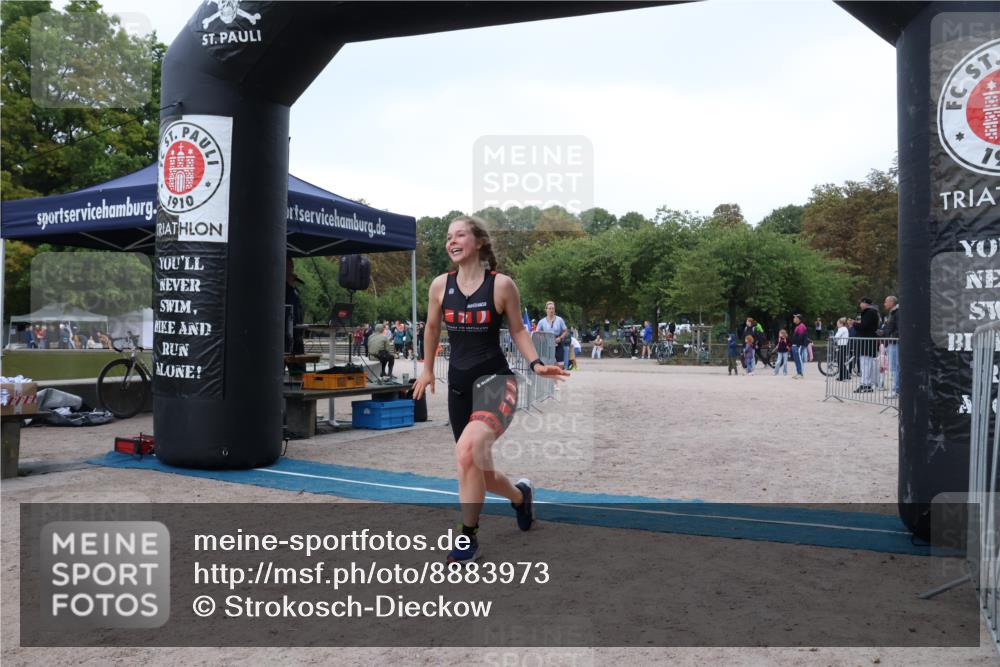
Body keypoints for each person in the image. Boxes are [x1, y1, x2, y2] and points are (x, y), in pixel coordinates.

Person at [412, 215, 569, 564]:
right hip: (459, 388)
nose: (452, 241)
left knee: (466, 453)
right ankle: (519, 497)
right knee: (478, 468)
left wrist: (536, 364)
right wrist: (426, 369)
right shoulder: (440, 285)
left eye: (460, 235)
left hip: (497, 383)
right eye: (448, 236)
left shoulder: (501, 285)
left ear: (479, 242)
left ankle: (468, 536)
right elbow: (432, 328)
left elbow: (518, 331)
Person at [285, 257, 305, 376]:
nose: (292, 268)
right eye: (289, 265)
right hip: (284, 336)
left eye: (292, 265)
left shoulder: (294, 290)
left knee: (300, 372)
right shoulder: (281, 288)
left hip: (296, 335)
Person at [855, 298, 881, 393]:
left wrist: (854, 324)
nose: (860, 305)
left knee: (865, 363)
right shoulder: (872, 312)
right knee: (866, 363)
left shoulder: (869, 312)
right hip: (868, 341)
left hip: (867, 341)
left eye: (861, 303)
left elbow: (863, 326)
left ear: (865, 303)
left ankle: (865, 384)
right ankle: (867, 384)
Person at [535, 301, 570, 369]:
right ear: (546, 310)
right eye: (549, 308)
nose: (551, 310)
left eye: (553, 308)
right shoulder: (542, 321)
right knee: (547, 364)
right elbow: (537, 333)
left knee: (560, 365)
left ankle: (558, 377)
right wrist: (542, 339)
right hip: (546, 344)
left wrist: (560, 338)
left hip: (558, 342)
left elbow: (566, 331)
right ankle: (549, 378)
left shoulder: (559, 320)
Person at [881, 296, 900, 397]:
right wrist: (884, 332)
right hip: (892, 342)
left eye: (886, 302)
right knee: (895, 367)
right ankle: (896, 389)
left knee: (896, 367)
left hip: (895, 343)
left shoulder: (897, 312)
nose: (884, 304)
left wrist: (891, 335)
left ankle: (896, 390)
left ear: (892, 302)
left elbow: (899, 328)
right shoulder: (893, 312)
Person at [790, 314, 809, 379]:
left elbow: (801, 336)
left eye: (795, 318)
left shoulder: (801, 326)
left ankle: (800, 374)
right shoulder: (797, 326)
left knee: (799, 359)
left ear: (798, 319)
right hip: (796, 345)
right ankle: (798, 373)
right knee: (796, 360)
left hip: (799, 345)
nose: (794, 319)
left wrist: (798, 345)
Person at [834, 317, 850, 381]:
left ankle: (842, 376)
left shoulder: (841, 329)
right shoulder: (845, 328)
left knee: (840, 362)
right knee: (841, 362)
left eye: (837, 323)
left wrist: (833, 338)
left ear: (841, 323)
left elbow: (836, 337)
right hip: (844, 346)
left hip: (841, 346)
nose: (837, 325)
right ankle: (846, 375)